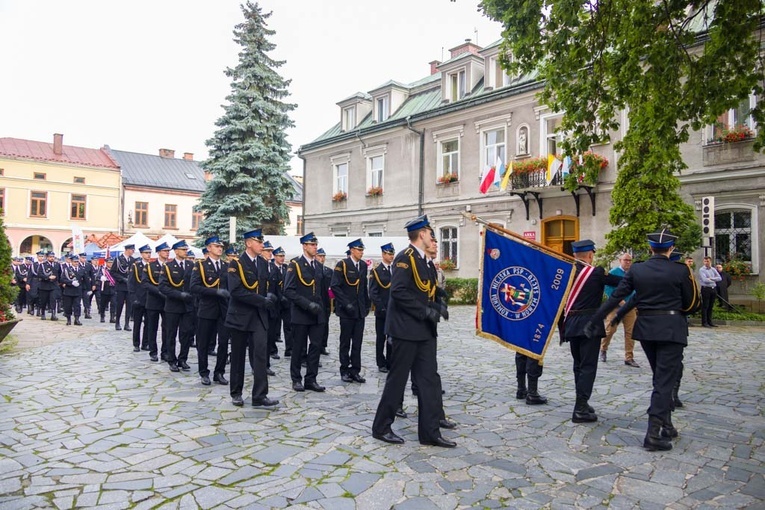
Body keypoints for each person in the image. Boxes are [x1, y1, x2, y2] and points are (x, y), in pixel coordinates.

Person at [585, 229, 700, 451]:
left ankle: (666, 424)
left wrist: (599, 318)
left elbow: (619, 297)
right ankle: (653, 433)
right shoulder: (681, 270)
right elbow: (692, 303)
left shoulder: (638, 269)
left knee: (661, 376)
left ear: (650, 248)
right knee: (664, 380)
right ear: (671, 248)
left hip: (646, 329)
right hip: (672, 329)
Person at [372, 215, 454, 448]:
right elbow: (398, 292)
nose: (432, 237)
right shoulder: (404, 259)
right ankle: (381, 428)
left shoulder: (425, 261)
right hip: (405, 331)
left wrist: (438, 304)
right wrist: (424, 311)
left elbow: (425, 291)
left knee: (428, 381)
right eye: (430, 233)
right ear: (421, 235)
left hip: (424, 332)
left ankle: (430, 432)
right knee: (397, 381)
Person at [560, 240, 622, 423]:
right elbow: (618, 282)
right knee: (588, 367)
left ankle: (582, 403)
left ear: (574, 255)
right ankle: (580, 408)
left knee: (578, 365)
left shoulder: (566, 272)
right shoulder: (596, 272)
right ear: (590, 255)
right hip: (589, 324)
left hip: (571, 323)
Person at [225, 228, 279, 408]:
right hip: (240, 316)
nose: (262, 244)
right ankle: (236, 393)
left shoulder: (263, 264)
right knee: (238, 356)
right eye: (258, 241)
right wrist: (261, 300)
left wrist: (270, 297)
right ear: (248, 243)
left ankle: (259, 395)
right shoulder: (236, 264)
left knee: (260, 357)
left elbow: (267, 285)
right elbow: (237, 291)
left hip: (258, 317)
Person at [283, 232, 327, 393]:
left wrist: (324, 312)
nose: (315, 247)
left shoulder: (318, 266)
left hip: (317, 315)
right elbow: (288, 290)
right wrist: (307, 305)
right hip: (301, 313)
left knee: (315, 347)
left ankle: (311, 378)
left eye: (316, 244)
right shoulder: (295, 264)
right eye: (312, 245)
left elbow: (322, 292)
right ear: (304, 246)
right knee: (298, 348)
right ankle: (296, 379)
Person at [191, 236, 231, 386]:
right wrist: (215, 292)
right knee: (203, 342)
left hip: (223, 309)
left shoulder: (226, 266)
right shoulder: (200, 266)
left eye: (221, 246)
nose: (220, 249)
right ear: (208, 248)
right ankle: (204, 372)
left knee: (223, 342)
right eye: (216, 246)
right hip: (207, 308)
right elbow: (194, 287)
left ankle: (219, 372)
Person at [331, 239, 371, 383]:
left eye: (362, 250)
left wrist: (367, 304)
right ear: (352, 250)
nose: (361, 253)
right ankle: (344, 370)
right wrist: (345, 303)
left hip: (359, 310)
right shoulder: (342, 265)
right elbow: (335, 286)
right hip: (346, 311)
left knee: (357, 343)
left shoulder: (362, 266)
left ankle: (355, 370)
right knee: (345, 341)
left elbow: (363, 287)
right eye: (359, 250)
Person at [159, 240, 196, 373]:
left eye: (186, 249)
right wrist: (179, 295)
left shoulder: (192, 265)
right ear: (176, 251)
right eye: (183, 249)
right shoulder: (168, 266)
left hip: (187, 306)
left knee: (186, 333)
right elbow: (163, 287)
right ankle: (172, 360)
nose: (185, 251)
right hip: (173, 305)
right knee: (171, 334)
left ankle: (183, 359)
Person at [599, 253, 640, 367]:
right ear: (620, 260)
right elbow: (607, 289)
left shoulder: (633, 273)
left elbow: (636, 288)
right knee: (610, 329)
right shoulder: (613, 273)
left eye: (630, 260)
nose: (628, 262)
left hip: (630, 306)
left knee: (630, 332)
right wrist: (619, 301)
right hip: (615, 306)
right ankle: (603, 348)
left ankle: (629, 357)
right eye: (625, 260)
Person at [143, 242, 171, 362]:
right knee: (152, 327)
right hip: (154, 301)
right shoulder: (150, 266)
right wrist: (158, 291)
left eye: (168, 251)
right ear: (159, 252)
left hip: (167, 302)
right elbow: (145, 282)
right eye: (164, 251)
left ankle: (165, 352)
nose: (167, 253)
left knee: (166, 328)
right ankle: (153, 351)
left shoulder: (170, 266)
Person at [369, 243, 395, 373]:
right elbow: (373, 292)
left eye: (392, 254)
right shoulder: (376, 271)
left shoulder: (395, 269)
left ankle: (390, 361)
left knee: (392, 338)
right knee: (381, 338)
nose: (391, 256)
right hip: (382, 311)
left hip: (394, 311)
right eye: (389, 254)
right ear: (383, 254)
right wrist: (381, 307)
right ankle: (381, 362)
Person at [128, 245, 151, 352]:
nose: (148, 255)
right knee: (137, 322)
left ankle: (145, 343)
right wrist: (133, 298)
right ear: (141, 254)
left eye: (149, 253)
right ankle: (136, 343)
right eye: (146, 253)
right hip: (138, 298)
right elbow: (131, 283)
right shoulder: (136, 266)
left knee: (148, 322)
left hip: (149, 299)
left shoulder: (151, 266)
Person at [315, 248, 333, 356]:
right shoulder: (314, 270)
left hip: (326, 301)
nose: (322, 258)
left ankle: (323, 346)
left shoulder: (329, 271)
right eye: (320, 256)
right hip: (317, 301)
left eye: (323, 256)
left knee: (325, 325)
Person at [59, 254, 84, 326]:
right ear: (71, 262)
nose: (76, 263)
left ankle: (77, 319)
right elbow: (62, 279)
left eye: (77, 262)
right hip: (68, 290)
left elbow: (85, 280)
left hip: (77, 291)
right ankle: (68, 319)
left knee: (77, 305)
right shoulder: (67, 270)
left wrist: (88, 289)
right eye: (74, 262)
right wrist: (71, 282)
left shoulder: (81, 269)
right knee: (68, 306)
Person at [698, 256, 721, 328]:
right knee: (705, 305)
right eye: (705, 261)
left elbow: (719, 278)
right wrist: (714, 279)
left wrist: (711, 278)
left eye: (708, 261)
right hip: (706, 288)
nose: (706, 263)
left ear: (710, 261)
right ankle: (704, 322)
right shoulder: (702, 270)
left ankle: (710, 321)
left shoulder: (713, 269)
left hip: (713, 288)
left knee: (711, 306)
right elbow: (704, 280)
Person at [37, 251, 61, 321]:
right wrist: (48, 277)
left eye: (53, 257)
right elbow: (39, 274)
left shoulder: (57, 264)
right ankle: (43, 313)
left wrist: (59, 282)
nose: (52, 258)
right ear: (47, 257)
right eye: (50, 257)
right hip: (44, 285)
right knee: (43, 300)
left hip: (53, 285)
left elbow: (59, 273)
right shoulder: (43, 265)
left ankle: (53, 314)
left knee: (53, 300)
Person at [97, 258, 116, 322]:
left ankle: (112, 317)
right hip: (105, 289)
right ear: (106, 263)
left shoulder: (115, 269)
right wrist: (101, 277)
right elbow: (97, 276)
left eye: (111, 262)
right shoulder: (102, 269)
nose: (110, 264)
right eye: (109, 262)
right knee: (103, 304)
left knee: (113, 304)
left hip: (113, 289)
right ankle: (102, 316)